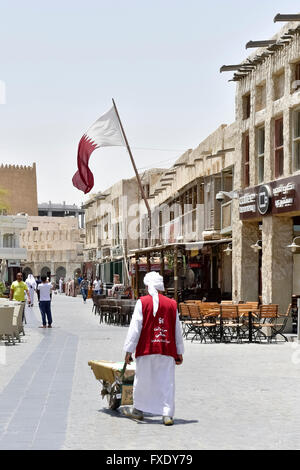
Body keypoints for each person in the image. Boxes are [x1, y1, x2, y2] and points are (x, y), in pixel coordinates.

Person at [123, 271, 184, 426]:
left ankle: (138, 410)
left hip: (146, 348)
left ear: (148, 286)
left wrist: (129, 350)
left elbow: (135, 328)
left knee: (142, 380)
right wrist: (179, 352)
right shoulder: (172, 304)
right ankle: (167, 414)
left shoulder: (142, 302)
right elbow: (177, 330)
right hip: (167, 349)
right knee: (167, 382)